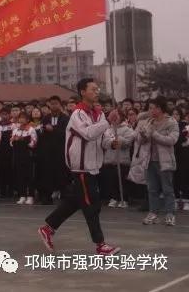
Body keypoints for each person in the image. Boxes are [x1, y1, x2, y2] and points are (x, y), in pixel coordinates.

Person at [38, 78, 122, 256]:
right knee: (91, 205)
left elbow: (103, 138)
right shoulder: (77, 114)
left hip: (93, 165)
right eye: (93, 89)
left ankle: (48, 227)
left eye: (97, 89)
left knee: (76, 200)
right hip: (81, 166)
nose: (96, 91)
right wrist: (107, 121)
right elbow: (89, 134)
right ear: (82, 92)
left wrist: (111, 143)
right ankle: (101, 245)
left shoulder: (98, 114)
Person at [137, 96, 180, 226]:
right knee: (152, 189)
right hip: (150, 160)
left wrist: (154, 134)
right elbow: (140, 141)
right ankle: (153, 213)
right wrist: (143, 135)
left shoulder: (171, 122)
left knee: (167, 189)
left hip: (164, 161)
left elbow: (172, 140)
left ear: (159, 109)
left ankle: (170, 214)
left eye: (152, 108)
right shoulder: (149, 121)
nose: (149, 110)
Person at [100, 111, 136, 208]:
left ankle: (124, 199)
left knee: (122, 181)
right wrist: (111, 142)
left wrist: (119, 139)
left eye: (117, 116)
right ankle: (114, 197)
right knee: (111, 181)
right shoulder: (107, 129)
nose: (115, 118)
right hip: (109, 159)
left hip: (122, 160)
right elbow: (103, 142)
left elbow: (129, 142)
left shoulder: (127, 129)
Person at [39, 96, 70, 205]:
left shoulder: (65, 118)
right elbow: (42, 132)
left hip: (60, 151)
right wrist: (43, 130)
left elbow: (67, 133)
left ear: (60, 105)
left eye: (56, 103)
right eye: (52, 104)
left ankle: (65, 197)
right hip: (48, 151)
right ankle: (47, 197)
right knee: (47, 174)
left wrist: (53, 129)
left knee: (62, 174)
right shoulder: (45, 118)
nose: (54, 106)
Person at [11, 112, 38, 205]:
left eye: (23, 118)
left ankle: (30, 196)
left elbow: (33, 142)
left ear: (27, 120)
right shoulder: (15, 130)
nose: (21, 120)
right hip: (18, 155)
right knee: (20, 175)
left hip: (28, 155)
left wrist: (23, 140)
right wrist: (15, 140)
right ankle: (22, 195)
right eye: (20, 118)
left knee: (29, 176)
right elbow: (11, 142)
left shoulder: (31, 129)